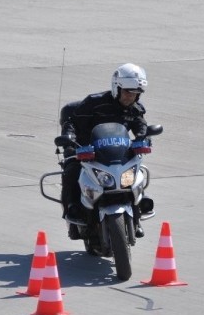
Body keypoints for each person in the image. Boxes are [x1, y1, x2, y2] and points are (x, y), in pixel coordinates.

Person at [59, 63, 149, 239]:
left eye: (135, 93)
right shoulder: (94, 102)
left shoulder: (135, 108)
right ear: (117, 87)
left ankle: (138, 211)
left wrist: (141, 136)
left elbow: (140, 123)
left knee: (136, 168)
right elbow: (72, 121)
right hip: (86, 151)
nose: (131, 97)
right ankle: (73, 213)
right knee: (71, 171)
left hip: (116, 153)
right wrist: (69, 137)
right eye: (127, 92)